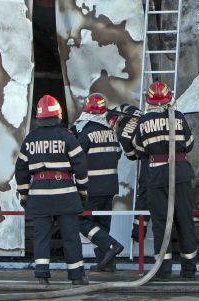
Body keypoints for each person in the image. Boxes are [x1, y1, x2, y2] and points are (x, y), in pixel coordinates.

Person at [15, 94, 89, 287]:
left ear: (39, 117)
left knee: (41, 237)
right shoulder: (67, 136)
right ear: (58, 114)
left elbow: (21, 168)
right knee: (71, 236)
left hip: (39, 195)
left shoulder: (30, 139)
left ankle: (42, 276)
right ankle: (77, 277)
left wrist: (24, 194)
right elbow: (80, 165)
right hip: (65, 194)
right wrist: (82, 191)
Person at [132, 81, 197, 279]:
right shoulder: (178, 117)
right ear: (169, 98)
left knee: (160, 223)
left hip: (156, 175)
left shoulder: (143, 121)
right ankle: (189, 269)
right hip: (180, 174)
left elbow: (138, 148)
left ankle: (163, 269)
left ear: (149, 101)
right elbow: (190, 144)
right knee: (185, 220)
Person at [72, 93, 124, 271]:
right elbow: (118, 154)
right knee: (101, 225)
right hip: (109, 186)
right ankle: (106, 264)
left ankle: (111, 245)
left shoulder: (85, 134)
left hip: (92, 187)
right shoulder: (111, 132)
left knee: (82, 221)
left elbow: (75, 158)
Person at [113, 104, 146, 241]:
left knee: (144, 196)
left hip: (149, 160)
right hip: (173, 160)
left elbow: (132, 155)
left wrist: (135, 153)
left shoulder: (122, 133)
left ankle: (138, 233)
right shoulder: (134, 111)